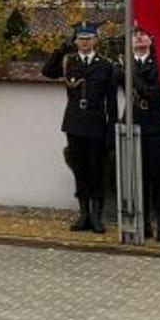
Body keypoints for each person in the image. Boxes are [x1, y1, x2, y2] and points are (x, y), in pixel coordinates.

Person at [42, 22, 119, 234]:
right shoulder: (69, 62)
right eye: (81, 39)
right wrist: (61, 49)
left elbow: (112, 102)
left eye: (88, 38)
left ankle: (96, 216)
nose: (85, 42)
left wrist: (112, 129)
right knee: (80, 170)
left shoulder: (106, 65)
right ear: (75, 41)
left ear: (95, 40)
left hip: (96, 124)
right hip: (75, 123)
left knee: (97, 171)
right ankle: (83, 214)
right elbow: (47, 71)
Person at [123, 30, 160, 242]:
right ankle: (143, 222)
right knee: (138, 177)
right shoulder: (124, 64)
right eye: (135, 34)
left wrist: (133, 77)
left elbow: (156, 94)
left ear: (151, 39)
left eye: (143, 34)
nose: (139, 37)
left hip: (156, 126)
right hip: (134, 125)